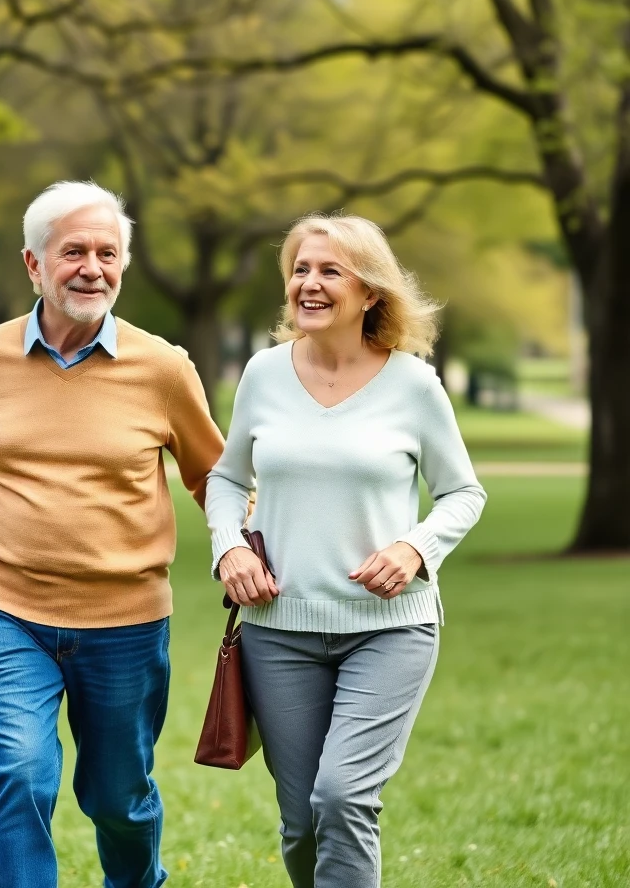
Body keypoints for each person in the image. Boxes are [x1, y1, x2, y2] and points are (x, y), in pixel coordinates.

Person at [0, 180, 224, 888]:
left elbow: (213, 477)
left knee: (118, 798)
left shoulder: (162, 367)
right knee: (22, 775)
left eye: (108, 252)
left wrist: (243, 548)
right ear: (34, 265)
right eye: (73, 251)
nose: (93, 267)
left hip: (126, 623)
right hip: (5, 609)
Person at [206, 213, 486, 888]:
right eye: (301, 268)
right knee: (302, 817)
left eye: (330, 270)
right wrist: (230, 548)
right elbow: (225, 479)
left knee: (343, 799)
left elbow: (463, 493)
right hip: (280, 633)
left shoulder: (415, 385)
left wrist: (416, 547)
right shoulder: (263, 375)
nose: (309, 282)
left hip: (389, 632)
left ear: (370, 293)